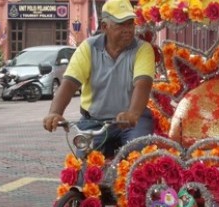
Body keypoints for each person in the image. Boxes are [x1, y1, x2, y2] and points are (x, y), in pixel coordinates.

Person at [43, 0, 155, 156]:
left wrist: (133, 114)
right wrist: (55, 112)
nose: (128, 30)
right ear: (104, 27)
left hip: (133, 122)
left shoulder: (142, 48)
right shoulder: (88, 47)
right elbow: (69, 83)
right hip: (94, 122)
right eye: (120, 24)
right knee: (84, 164)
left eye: (130, 24)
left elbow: (143, 83)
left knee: (139, 157)